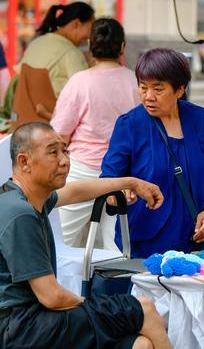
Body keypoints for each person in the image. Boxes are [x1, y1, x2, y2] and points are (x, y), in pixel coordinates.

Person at [0, 121, 169, 349]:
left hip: (32, 323)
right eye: (53, 152)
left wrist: (131, 182)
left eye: (65, 150)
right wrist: (95, 307)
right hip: (22, 328)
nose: (64, 160)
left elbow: (76, 191)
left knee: (139, 345)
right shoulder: (20, 214)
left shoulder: (24, 198)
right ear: (24, 161)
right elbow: (52, 297)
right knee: (144, 309)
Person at [101, 48, 204, 258]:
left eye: (158, 89)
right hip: (145, 244)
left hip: (197, 242)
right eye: (143, 88)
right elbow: (108, 181)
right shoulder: (130, 125)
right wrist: (120, 194)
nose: (148, 96)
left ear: (179, 90)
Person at [50, 18, 140, 250]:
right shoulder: (136, 83)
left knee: (63, 244)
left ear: (91, 46)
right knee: (116, 249)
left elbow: (60, 133)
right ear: (122, 47)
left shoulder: (80, 82)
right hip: (121, 175)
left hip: (81, 173)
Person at [19, 2, 94, 96]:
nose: (89, 36)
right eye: (91, 28)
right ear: (76, 24)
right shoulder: (71, 53)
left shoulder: (36, 43)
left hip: (24, 108)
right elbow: (85, 93)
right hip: (52, 109)